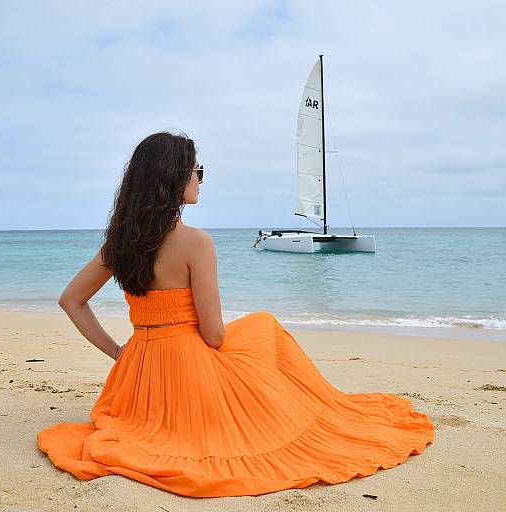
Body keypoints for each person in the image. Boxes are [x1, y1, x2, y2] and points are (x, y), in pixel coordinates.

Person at [37, 131, 435, 498]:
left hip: (137, 373)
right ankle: (292, 408)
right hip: (188, 371)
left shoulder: (119, 245)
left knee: (255, 329)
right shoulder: (196, 243)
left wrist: (119, 352)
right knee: (264, 326)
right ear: (176, 178)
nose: (200, 179)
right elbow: (213, 336)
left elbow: (71, 300)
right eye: (198, 170)